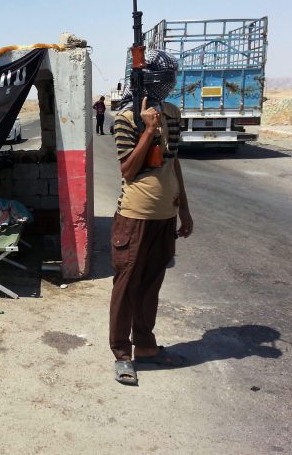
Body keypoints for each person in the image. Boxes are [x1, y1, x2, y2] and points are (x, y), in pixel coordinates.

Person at [109, 50, 193, 386]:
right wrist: (147, 131)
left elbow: (173, 163)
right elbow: (128, 170)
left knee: (150, 287)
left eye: (173, 77)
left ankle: (145, 346)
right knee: (127, 287)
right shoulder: (125, 118)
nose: (170, 85)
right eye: (165, 78)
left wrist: (184, 210)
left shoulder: (172, 112)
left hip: (165, 218)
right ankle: (121, 354)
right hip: (135, 217)